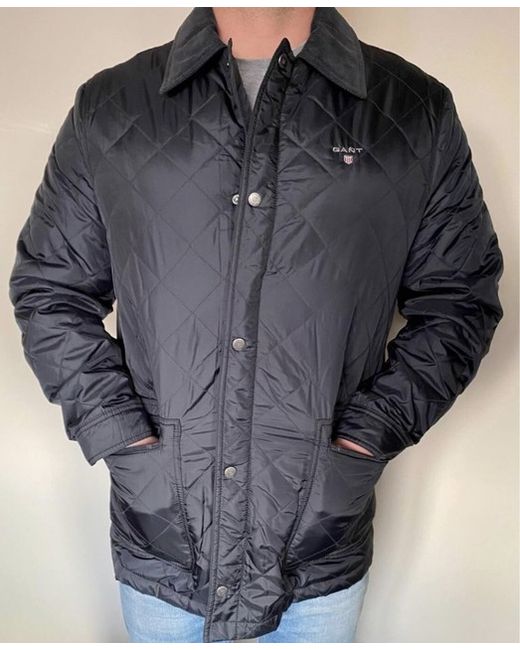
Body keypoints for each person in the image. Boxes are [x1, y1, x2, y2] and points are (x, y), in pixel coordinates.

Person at [8, 6, 504, 644]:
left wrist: (365, 440)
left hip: (317, 550)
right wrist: (124, 441)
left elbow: (459, 300)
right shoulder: (112, 106)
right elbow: (52, 290)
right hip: (164, 544)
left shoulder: (412, 111)